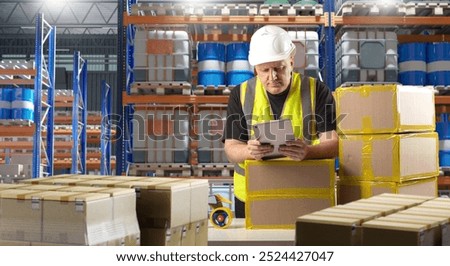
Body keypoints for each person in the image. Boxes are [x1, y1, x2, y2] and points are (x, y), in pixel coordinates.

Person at [222, 25, 338, 218]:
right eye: (264, 70)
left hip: (304, 194)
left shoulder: (316, 90)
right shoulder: (240, 94)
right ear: (255, 68)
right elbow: (231, 147)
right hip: (254, 195)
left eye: (279, 68)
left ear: (291, 61)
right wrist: (249, 152)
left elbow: (333, 144)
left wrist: (308, 152)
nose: (272, 76)